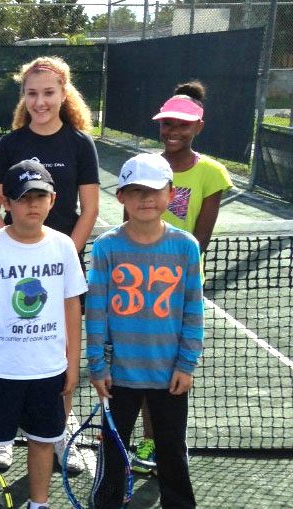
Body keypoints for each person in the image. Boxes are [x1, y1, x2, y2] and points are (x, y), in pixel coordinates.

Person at [0, 55, 100, 472]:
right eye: (31, 93)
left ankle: (58, 431)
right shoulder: (10, 144)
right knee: (14, 346)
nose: (40, 101)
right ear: (23, 96)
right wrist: (8, 249)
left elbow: (88, 210)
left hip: (59, 270)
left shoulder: (80, 143)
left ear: (64, 93)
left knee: (62, 352)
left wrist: (63, 255)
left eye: (48, 92)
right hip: (15, 272)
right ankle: (7, 437)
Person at [0, 160, 87, 509]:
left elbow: (72, 308)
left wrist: (71, 365)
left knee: (44, 441)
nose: (32, 204)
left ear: (53, 200)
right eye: (23, 197)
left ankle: (39, 503)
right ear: (6, 203)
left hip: (48, 370)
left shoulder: (63, 247)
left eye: (39, 196)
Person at [86, 153, 203, 508]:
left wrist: (186, 364)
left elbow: (192, 309)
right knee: (113, 452)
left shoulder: (185, 246)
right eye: (135, 191)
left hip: (169, 375)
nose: (145, 199)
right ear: (120, 196)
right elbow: (96, 311)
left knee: (171, 450)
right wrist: (97, 365)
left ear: (171, 193)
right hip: (118, 376)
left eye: (153, 190)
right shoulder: (107, 247)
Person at [130, 81, 233, 474]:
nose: (173, 131)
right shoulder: (146, 165)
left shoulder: (212, 173)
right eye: (166, 124)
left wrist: (165, 275)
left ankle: (163, 442)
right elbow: (129, 226)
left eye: (182, 125)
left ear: (198, 128)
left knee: (172, 371)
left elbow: (199, 240)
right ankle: (147, 442)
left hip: (179, 288)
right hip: (138, 288)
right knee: (139, 368)